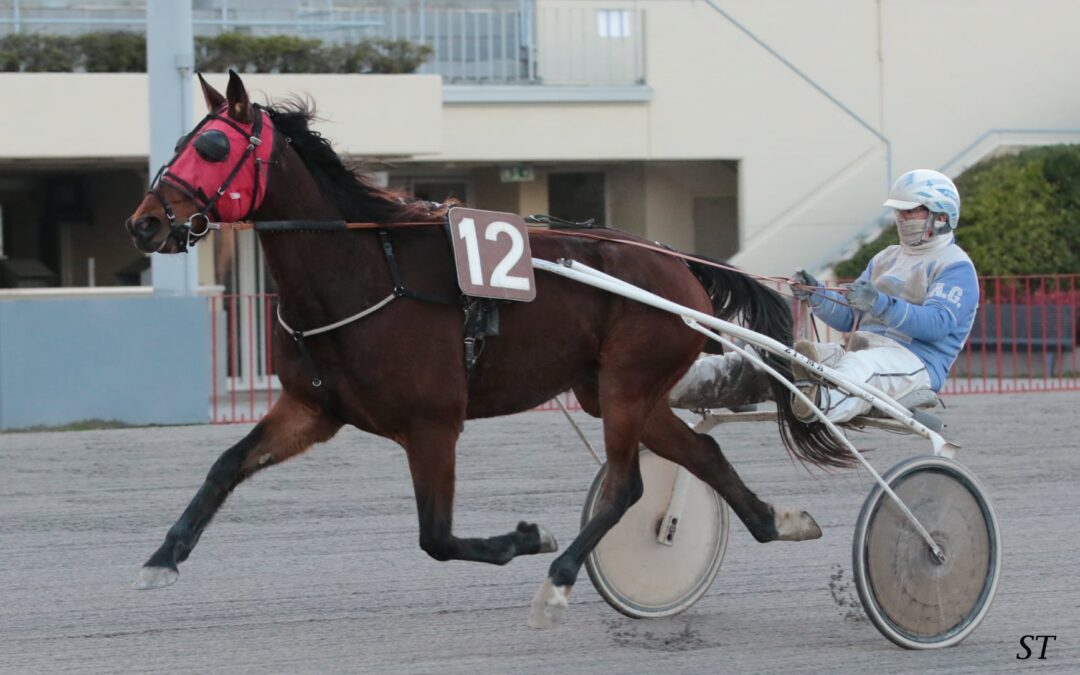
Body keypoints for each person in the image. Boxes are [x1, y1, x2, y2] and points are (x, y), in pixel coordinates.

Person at [669, 169, 979, 424]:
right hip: (857, 350)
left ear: (940, 217)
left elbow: (938, 324)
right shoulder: (886, 257)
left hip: (915, 364)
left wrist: (879, 303)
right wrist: (816, 295)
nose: (901, 217)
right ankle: (683, 382)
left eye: (911, 210)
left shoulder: (955, 267)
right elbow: (848, 316)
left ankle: (816, 403)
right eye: (899, 211)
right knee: (777, 356)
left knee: (859, 370)